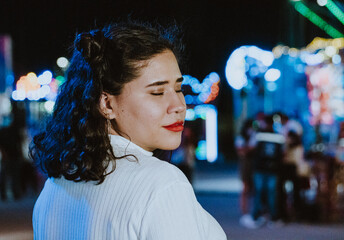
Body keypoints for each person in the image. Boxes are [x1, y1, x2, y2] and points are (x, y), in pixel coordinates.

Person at [31, 21, 226, 240]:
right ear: (106, 104)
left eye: (178, 88)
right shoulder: (162, 184)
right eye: (158, 92)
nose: (179, 105)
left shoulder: (55, 187)